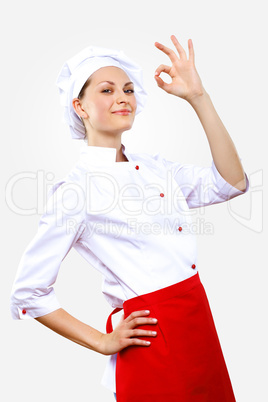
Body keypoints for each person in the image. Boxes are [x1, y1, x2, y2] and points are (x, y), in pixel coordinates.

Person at [10, 35, 248, 401]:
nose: (123, 97)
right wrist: (102, 341)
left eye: (128, 89)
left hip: (197, 321)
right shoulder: (76, 192)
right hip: (153, 335)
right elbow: (28, 291)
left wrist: (199, 98)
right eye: (106, 90)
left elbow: (232, 183)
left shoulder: (156, 169)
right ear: (80, 107)